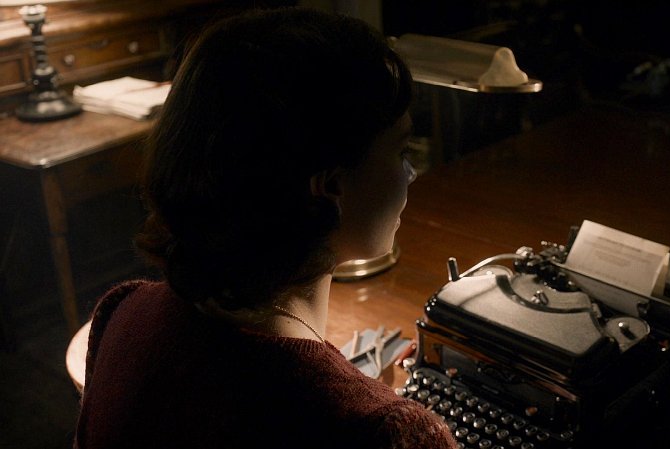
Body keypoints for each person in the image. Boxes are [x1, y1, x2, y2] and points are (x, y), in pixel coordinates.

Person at [73, 6, 456, 449]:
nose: (410, 172)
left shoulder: (121, 313)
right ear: (331, 184)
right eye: (401, 150)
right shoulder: (386, 432)